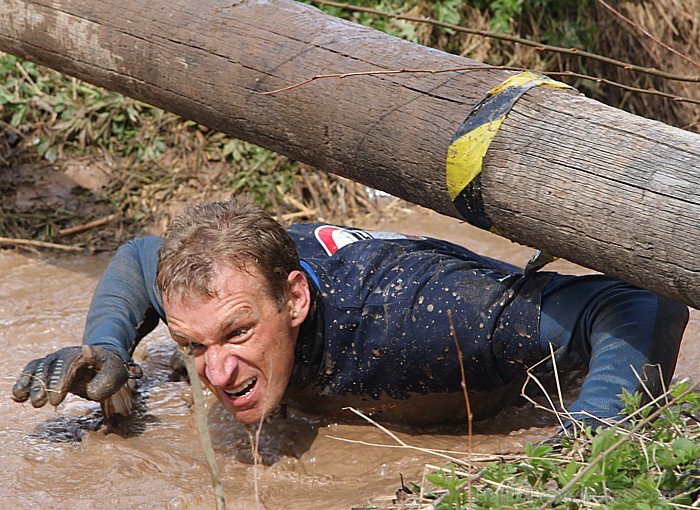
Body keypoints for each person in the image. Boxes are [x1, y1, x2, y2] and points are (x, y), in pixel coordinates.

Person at [11, 199, 689, 430]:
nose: (215, 371)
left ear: (294, 300)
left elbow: (639, 298)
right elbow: (138, 256)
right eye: (194, 345)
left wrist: (592, 437)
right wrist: (108, 349)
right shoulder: (212, 289)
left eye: (238, 334)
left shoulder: (430, 323)